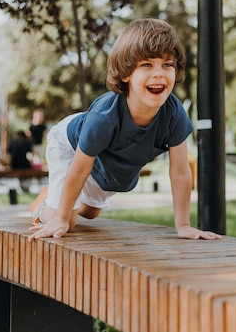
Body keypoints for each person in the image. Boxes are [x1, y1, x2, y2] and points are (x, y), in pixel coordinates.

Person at [28, 18, 221, 241]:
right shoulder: (105, 116)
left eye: (167, 64)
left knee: (90, 213)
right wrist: (61, 216)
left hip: (99, 159)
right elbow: (80, 169)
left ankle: (63, 202)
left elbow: (180, 172)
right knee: (67, 222)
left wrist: (184, 225)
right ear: (126, 72)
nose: (158, 73)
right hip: (69, 146)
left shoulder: (173, 114)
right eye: (147, 65)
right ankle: (43, 205)